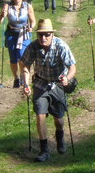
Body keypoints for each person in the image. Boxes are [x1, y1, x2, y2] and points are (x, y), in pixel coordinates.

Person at [20, 19, 77, 162]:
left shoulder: (61, 46)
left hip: (57, 84)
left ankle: (60, 136)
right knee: (40, 115)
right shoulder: (33, 47)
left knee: (59, 119)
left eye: (46, 35)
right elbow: (24, 66)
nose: (43, 38)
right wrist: (26, 84)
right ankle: (44, 150)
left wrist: (67, 79)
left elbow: (72, 67)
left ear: (52, 34)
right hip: (40, 84)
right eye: (40, 35)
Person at [0, 0, 36, 87]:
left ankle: (24, 77)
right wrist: (2, 15)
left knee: (22, 57)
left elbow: (33, 20)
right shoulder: (7, 6)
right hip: (11, 34)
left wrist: (31, 27)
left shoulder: (27, 6)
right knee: (13, 58)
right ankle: (16, 78)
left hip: (24, 34)